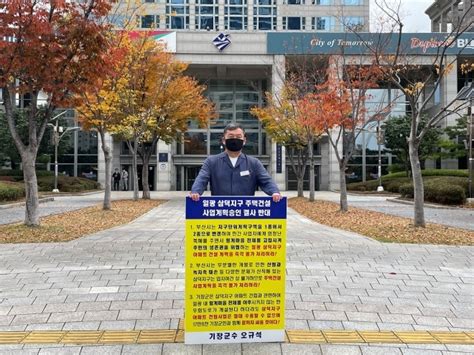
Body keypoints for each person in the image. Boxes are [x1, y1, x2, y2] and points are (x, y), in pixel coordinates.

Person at [190, 123, 282, 202]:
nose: (235, 139)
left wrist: (274, 192)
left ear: (244, 141)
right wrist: (195, 192)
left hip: (245, 214)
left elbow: (266, 181)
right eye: (231, 137)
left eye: (238, 137)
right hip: (219, 213)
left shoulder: (254, 163)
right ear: (223, 140)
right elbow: (201, 179)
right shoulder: (211, 162)